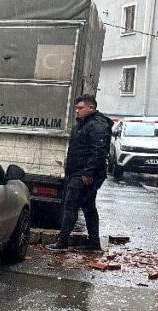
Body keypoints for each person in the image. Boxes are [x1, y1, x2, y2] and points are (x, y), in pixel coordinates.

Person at [46, 94, 113, 252]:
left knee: (71, 205)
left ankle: (62, 242)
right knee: (88, 206)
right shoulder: (84, 123)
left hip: (84, 174)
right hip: (79, 172)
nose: (77, 111)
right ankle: (94, 242)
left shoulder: (97, 125)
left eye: (80, 108)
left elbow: (99, 151)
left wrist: (88, 173)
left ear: (91, 108)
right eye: (76, 108)